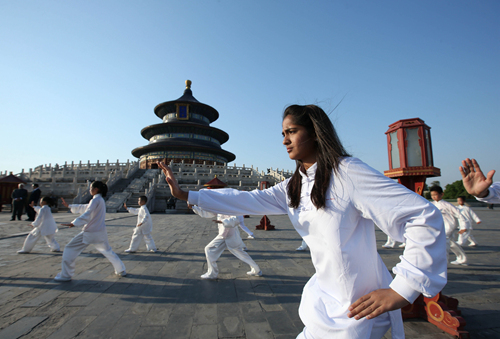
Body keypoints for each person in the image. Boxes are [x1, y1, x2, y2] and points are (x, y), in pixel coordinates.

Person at [159, 104, 447, 339]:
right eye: (283, 133)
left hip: (357, 306)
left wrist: (403, 289)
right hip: (321, 298)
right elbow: (247, 200)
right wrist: (187, 194)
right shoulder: (294, 186)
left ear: (316, 133)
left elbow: (423, 215)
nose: (284, 140)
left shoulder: (347, 172)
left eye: (292, 131)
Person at [55, 181, 126, 281]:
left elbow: (88, 212)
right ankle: (121, 269)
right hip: (100, 232)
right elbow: (86, 207)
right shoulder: (99, 200)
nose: (89, 190)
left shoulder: (95, 200)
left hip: (90, 232)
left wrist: (74, 223)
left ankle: (65, 275)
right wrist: (70, 206)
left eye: (91, 188)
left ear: (96, 189)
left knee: (69, 249)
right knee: (107, 251)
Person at [429, 186, 468, 265]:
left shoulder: (447, 205)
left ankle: (443, 263)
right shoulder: (431, 204)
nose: (433, 196)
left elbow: (459, 215)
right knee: (450, 243)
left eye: (435, 194)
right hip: (437, 226)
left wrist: (463, 227)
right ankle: (462, 258)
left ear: (442, 194)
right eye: (432, 195)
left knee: (443, 244)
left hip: (448, 226)